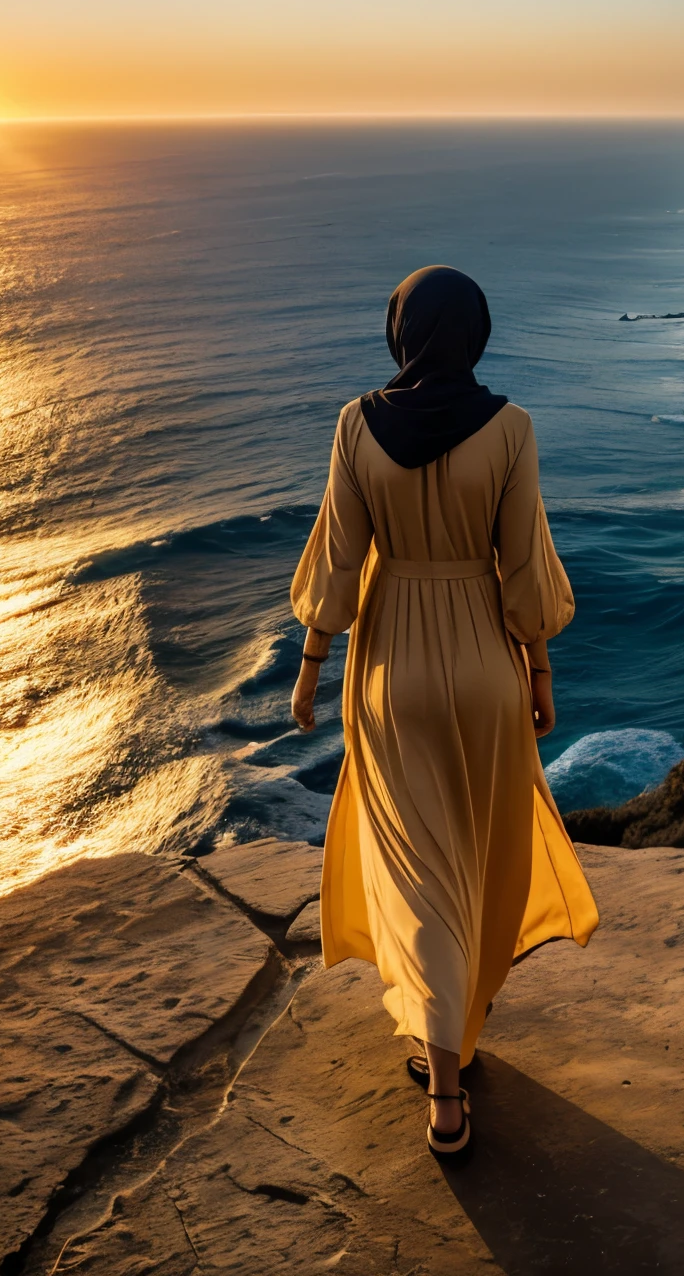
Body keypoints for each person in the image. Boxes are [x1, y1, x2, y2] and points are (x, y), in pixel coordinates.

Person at [290, 264, 598, 1157]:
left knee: (420, 870)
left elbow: (339, 563)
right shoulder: (512, 430)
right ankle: (461, 1028)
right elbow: (525, 571)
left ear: (401, 331)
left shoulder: (356, 425)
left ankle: (445, 1089)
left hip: (392, 671)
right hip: (484, 667)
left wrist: (311, 667)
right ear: (477, 333)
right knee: (480, 850)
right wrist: (539, 675)